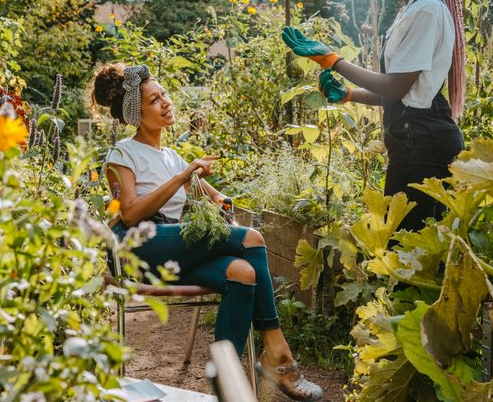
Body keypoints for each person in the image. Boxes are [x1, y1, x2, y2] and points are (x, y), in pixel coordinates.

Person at [92, 63, 323, 402]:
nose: (166, 102)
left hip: (175, 250)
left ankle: (226, 387)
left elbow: (207, 194)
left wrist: (219, 199)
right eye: (155, 99)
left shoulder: (171, 156)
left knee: (242, 273)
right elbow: (130, 211)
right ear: (135, 113)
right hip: (139, 249)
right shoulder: (122, 153)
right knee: (252, 238)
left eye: (164, 94)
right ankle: (277, 353)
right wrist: (184, 177)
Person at [281, 0, 465, 232]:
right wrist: (349, 95)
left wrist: (333, 60)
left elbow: (396, 87)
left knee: (406, 252)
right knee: (406, 253)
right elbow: (402, 93)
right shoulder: (413, 10)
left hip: (424, 144)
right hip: (414, 139)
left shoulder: (427, 10)